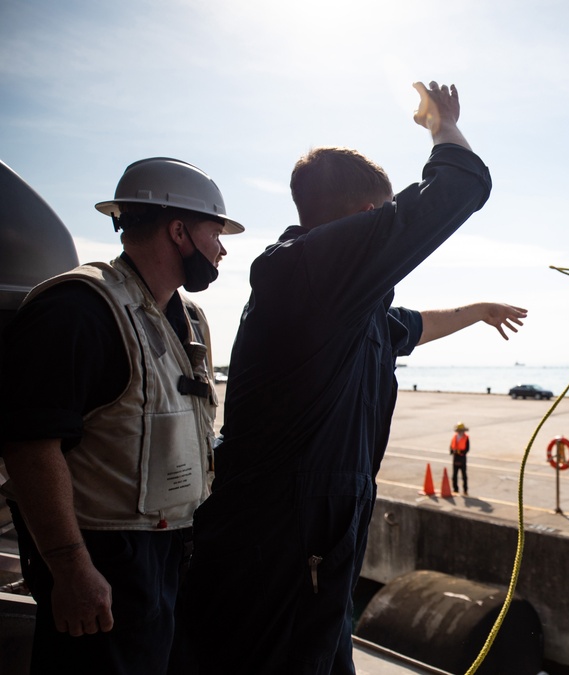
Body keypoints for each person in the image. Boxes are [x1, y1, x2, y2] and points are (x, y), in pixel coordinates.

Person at [187, 80, 527, 674]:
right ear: (365, 218)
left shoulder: (345, 308)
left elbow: (408, 326)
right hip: (280, 533)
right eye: (379, 218)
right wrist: (442, 125)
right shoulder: (308, 275)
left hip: (322, 531)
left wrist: (475, 312)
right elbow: (460, 186)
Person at [0, 157, 242, 674]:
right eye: (215, 232)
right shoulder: (78, 310)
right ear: (179, 231)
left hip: (168, 552)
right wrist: (70, 569)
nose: (222, 248)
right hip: (105, 560)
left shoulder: (185, 317)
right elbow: (28, 447)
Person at [450, 422, 471, 495]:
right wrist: (452, 451)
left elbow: (467, 448)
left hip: (462, 457)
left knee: (464, 475)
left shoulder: (466, 437)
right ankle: (455, 489)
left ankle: (465, 489)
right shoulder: (455, 436)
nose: (460, 432)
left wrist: (461, 453)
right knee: (454, 475)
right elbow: (451, 445)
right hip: (455, 456)